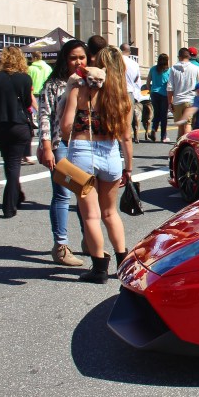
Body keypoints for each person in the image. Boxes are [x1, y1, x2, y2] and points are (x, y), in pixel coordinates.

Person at [60, 46, 134, 283]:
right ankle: (123, 261)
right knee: (110, 212)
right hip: (111, 154)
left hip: (83, 152)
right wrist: (128, 168)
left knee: (90, 216)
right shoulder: (122, 96)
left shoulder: (80, 90)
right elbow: (126, 137)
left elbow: (65, 128)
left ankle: (99, 269)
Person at [37, 39, 88, 267]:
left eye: (81, 57)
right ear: (65, 59)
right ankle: (61, 246)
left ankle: (89, 239)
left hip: (84, 145)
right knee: (62, 194)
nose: (78, 61)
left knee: (84, 193)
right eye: (73, 57)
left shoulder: (89, 82)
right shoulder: (54, 85)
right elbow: (44, 116)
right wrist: (46, 146)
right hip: (61, 145)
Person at [0, 46, 36, 218]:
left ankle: (16, 196)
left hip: (0, 125)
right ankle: (9, 205)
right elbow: (28, 102)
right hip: (19, 124)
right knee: (13, 166)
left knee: (10, 164)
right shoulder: (25, 79)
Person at [167, 47, 199, 141]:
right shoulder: (195, 68)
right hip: (190, 100)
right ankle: (188, 144)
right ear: (189, 57)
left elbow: (170, 87)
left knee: (180, 125)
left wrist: (169, 102)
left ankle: (179, 146)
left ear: (179, 57)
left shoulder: (173, 69)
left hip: (177, 100)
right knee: (188, 124)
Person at [119, 44, 143, 143]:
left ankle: (118, 143)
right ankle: (126, 145)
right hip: (129, 93)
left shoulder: (116, 62)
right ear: (129, 52)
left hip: (116, 93)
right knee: (128, 122)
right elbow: (137, 80)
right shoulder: (134, 64)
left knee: (117, 120)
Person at [147, 53, 171, 143]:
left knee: (156, 113)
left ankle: (153, 129)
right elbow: (170, 84)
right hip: (164, 94)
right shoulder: (169, 71)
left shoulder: (153, 69)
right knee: (164, 115)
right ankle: (163, 136)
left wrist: (151, 90)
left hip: (154, 93)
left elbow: (148, 81)